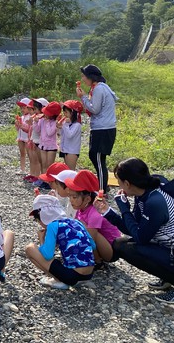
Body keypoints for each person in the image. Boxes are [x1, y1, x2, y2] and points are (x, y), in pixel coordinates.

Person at [93, 158, 174, 304]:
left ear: (127, 183)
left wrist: (124, 208)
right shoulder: (143, 195)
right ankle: (170, 277)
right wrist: (107, 211)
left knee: (131, 249)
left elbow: (141, 238)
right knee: (120, 244)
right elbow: (132, 229)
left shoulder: (155, 202)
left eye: (118, 181)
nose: (118, 185)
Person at [25, 194, 95, 290]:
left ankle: (59, 281)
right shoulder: (76, 222)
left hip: (72, 277)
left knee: (30, 248)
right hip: (89, 275)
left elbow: (47, 255)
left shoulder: (52, 226)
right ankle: (64, 279)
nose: (39, 223)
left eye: (37, 219)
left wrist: (41, 239)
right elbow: (93, 246)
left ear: (43, 216)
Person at [64, 170, 121, 266]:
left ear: (87, 199)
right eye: (70, 196)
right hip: (99, 245)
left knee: (83, 227)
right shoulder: (81, 208)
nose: (70, 200)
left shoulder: (95, 211)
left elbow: (91, 238)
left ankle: (97, 260)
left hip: (111, 251)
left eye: (74, 197)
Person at [76, 64, 118, 192]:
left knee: (98, 158)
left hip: (103, 129)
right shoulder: (99, 88)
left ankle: (101, 189)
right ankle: (103, 185)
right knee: (95, 156)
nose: (83, 79)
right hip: (102, 128)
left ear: (91, 77)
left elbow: (95, 109)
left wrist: (83, 97)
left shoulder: (99, 89)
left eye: (84, 76)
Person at [35, 101, 60, 173]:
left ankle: (49, 182)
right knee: (44, 165)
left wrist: (47, 122)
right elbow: (37, 130)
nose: (44, 114)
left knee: (49, 166)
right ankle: (43, 180)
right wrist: (36, 122)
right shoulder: (42, 120)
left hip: (51, 147)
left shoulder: (54, 122)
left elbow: (50, 133)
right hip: (43, 145)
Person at [58, 100, 83, 170]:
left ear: (72, 113)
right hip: (65, 149)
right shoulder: (68, 123)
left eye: (66, 112)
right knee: (67, 170)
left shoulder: (77, 125)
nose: (64, 114)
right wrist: (59, 127)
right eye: (64, 112)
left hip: (72, 151)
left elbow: (69, 135)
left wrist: (64, 124)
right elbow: (61, 134)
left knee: (71, 170)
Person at [14, 98, 32, 176]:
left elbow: (28, 128)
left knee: (30, 154)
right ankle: (22, 169)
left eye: (24, 108)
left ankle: (32, 171)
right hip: (21, 137)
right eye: (21, 108)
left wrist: (21, 126)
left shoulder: (30, 117)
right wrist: (17, 125)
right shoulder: (21, 117)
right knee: (22, 153)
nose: (22, 110)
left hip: (27, 138)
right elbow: (18, 129)